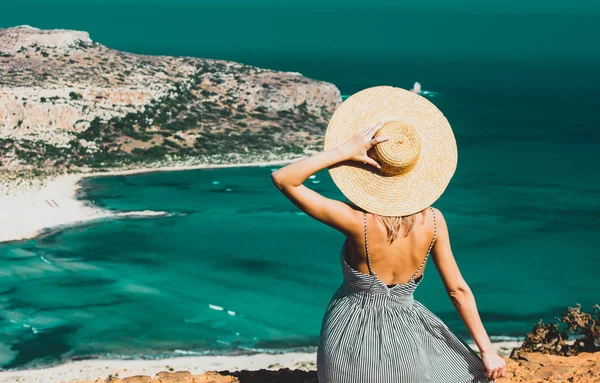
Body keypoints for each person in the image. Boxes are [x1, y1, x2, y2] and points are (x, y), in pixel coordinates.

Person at [271, 86, 506, 382]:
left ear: (367, 167)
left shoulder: (357, 222)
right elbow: (458, 290)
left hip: (347, 341)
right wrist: (487, 351)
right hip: (406, 340)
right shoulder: (434, 221)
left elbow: (284, 179)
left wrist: (343, 151)